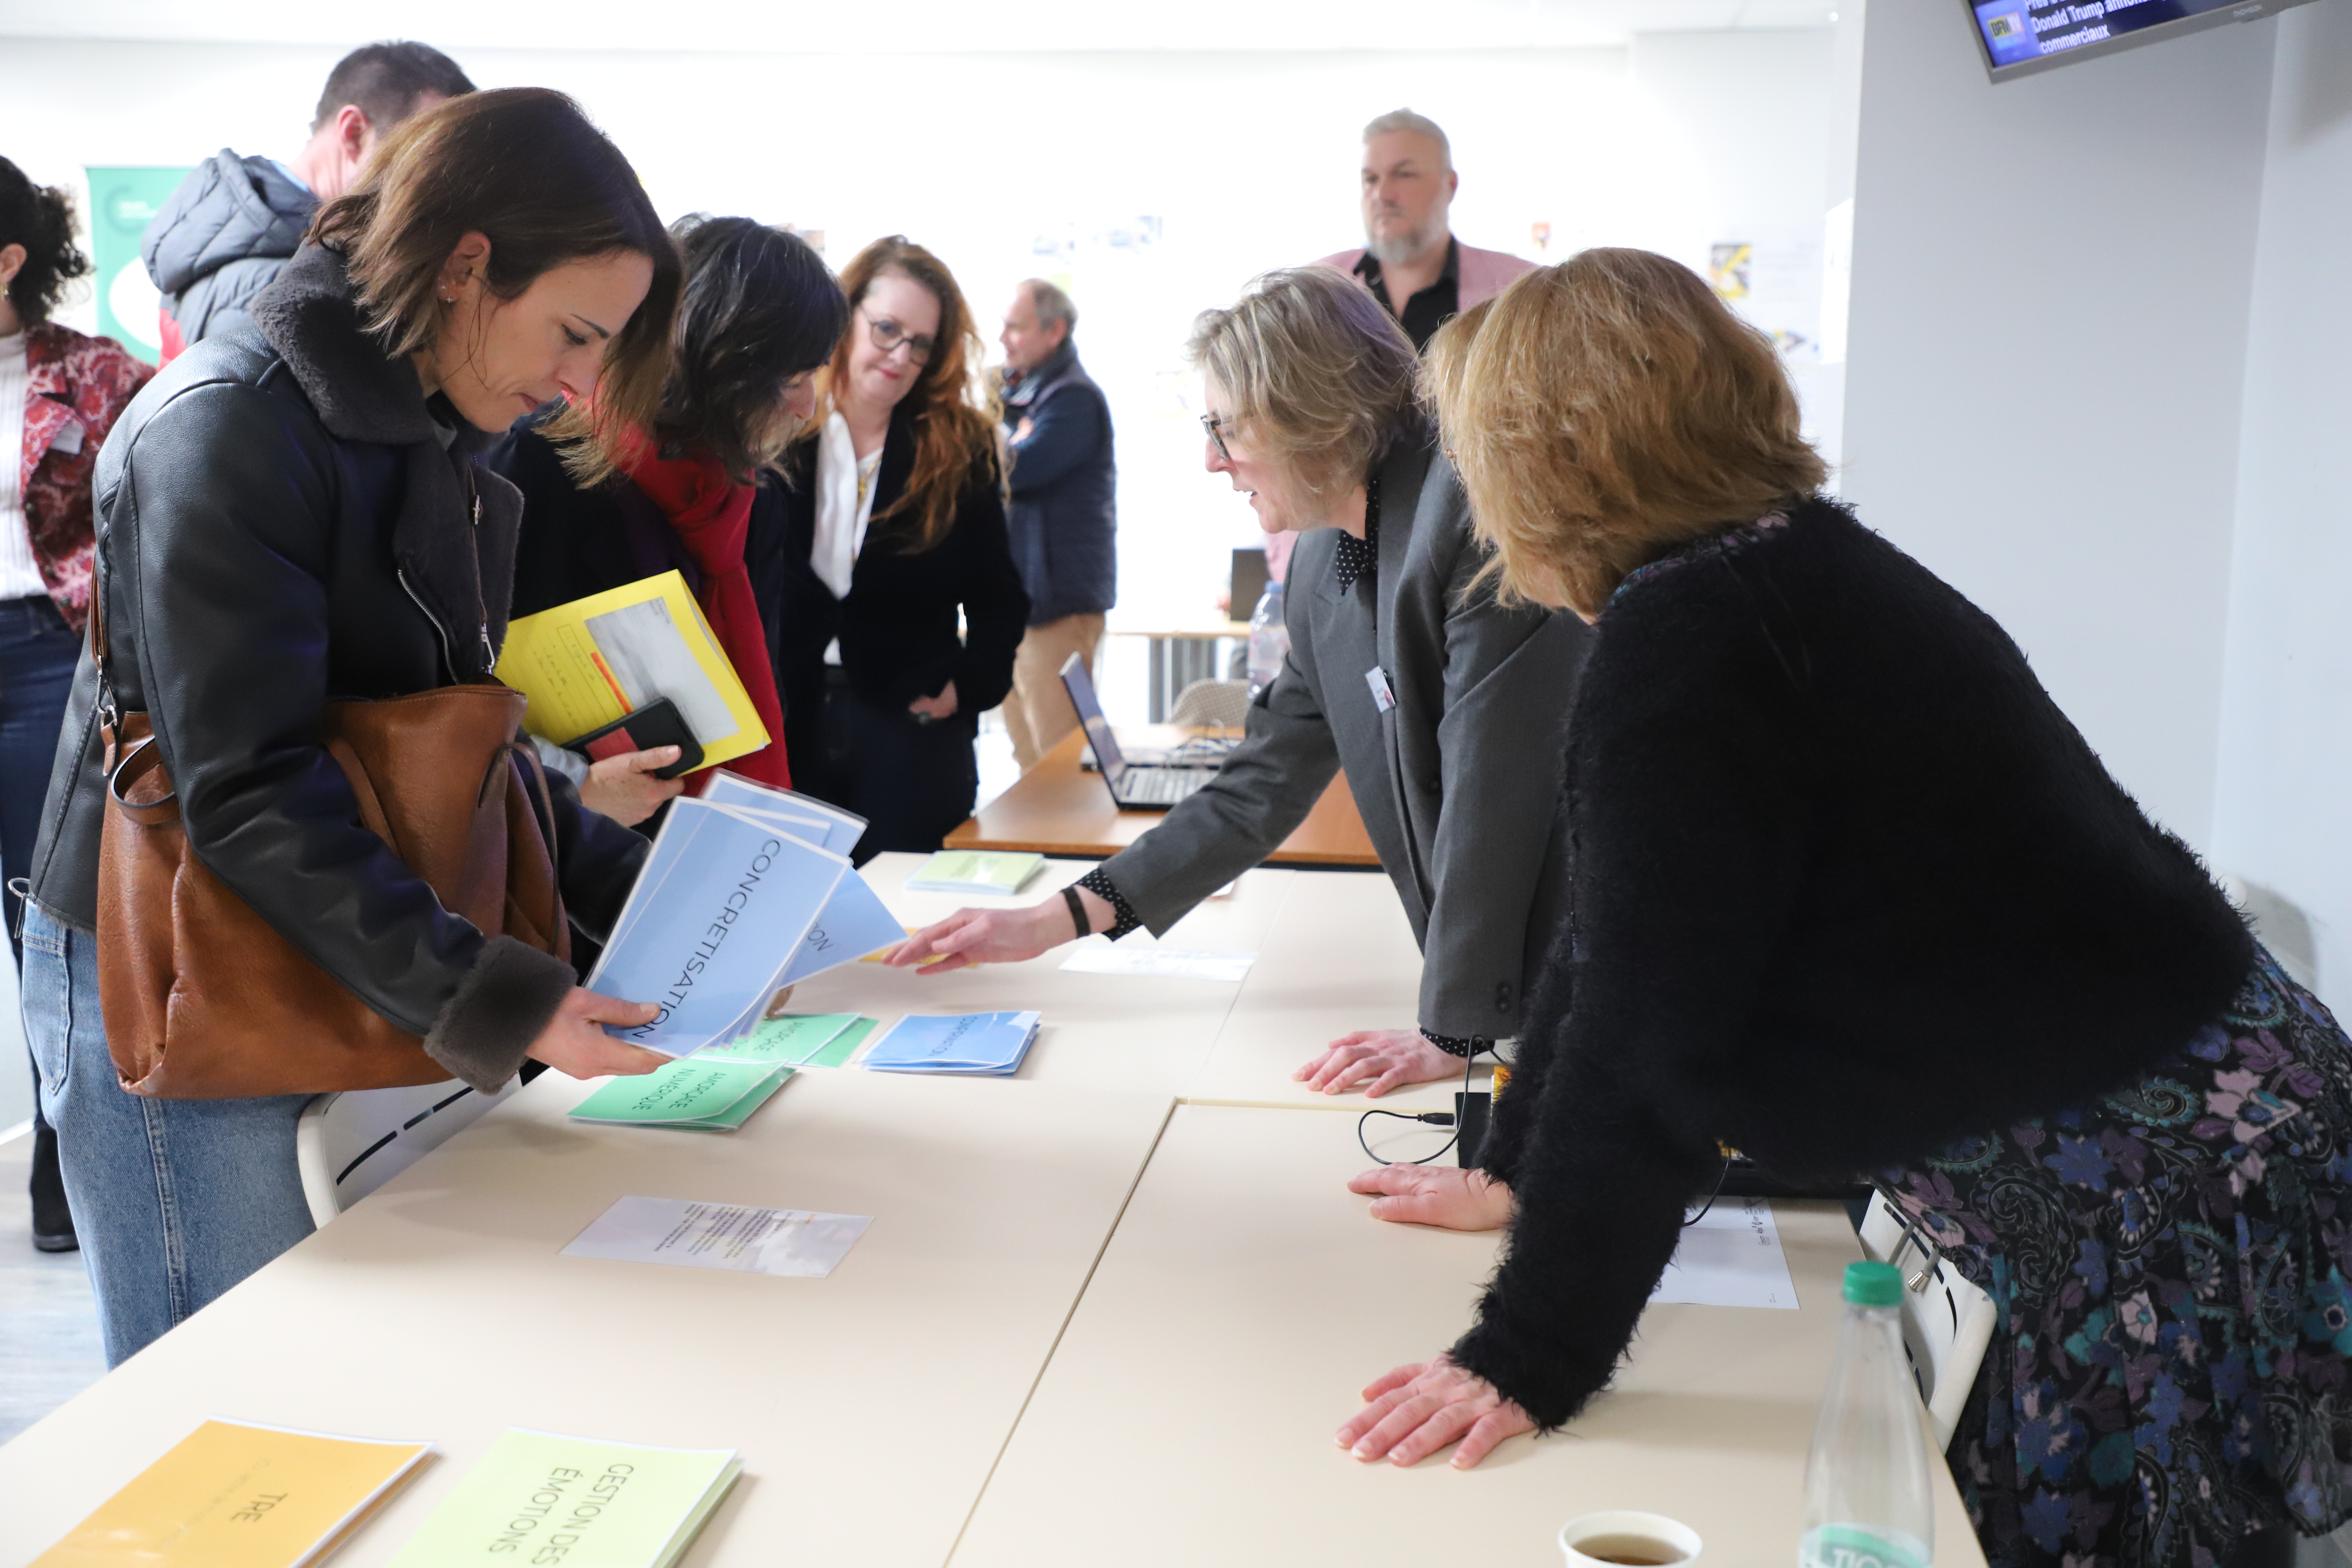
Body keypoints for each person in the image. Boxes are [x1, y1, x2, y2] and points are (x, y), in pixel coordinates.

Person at [1335, 250, 2346, 1568]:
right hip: (2195, 1110)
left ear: (1552, 457)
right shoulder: (1766, 571)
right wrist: (1514, 1165)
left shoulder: (1695, 641)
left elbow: (1651, 1039)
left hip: (2161, 1181)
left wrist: (1527, 1357)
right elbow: (1616, 932)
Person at [22, 88, 679, 1365]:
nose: (581, 383)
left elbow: (435, 740)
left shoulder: (439, 429)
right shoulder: (226, 422)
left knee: (338, 1362)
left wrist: (646, 888)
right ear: (468, 268)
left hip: (330, 934)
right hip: (177, 950)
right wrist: (495, 997)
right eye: (576, 334)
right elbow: (249, 791)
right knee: (217, 1376)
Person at [888, 270, 1588, 1098]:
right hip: (1513, 992)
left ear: (1310, 411)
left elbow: (1493, 789)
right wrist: (1056, 918)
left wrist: (1456, 1024)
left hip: (1589, 980)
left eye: (1225, 427)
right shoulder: (1322, 564)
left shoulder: (1472, 520)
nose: (1212, 460)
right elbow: (1259, 784)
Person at [486, 215, 848, 827]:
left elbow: (764, 689)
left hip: (703, 836)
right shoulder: (541, 464)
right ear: (723, 366)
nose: (807, 407)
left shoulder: (747, 492)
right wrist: (575, 788)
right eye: (792, 378)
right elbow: (468, 696)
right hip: (571, 846)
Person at [0, 160, 152, 1254]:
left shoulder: (97, 375)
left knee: (52, 928)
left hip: (47, 657)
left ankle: (72, 1172)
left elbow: (155, 518)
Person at [767, 236, 1028, 860]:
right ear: (845, 315)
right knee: (795, 924)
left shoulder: (956, 445)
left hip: (907, 729)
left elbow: (1000, 597)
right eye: (886, 329)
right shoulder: (778, 426)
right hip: (787, 717)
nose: (900, 356)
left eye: (920, 344)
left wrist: (967, 689)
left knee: (903, 930)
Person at [143, 40, 475, 360]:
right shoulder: (280, 281)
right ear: (354, 132)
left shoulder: (243, 241)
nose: (444, 186)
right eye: (429, 158)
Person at [994, 278, 1115, 773]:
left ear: (1054, 330)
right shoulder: (1026, 397)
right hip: (1025, 604)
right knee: (1029, 758)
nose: (1004, 339)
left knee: (1062, 759)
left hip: (1058, 606)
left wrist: (1006, 442)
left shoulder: (1074, 400)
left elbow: (1019, 470)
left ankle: (1076, 852)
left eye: (1015, 328)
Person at [1314, 109, 1534, 352]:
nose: (1382, 195)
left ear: (1450, 186)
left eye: (1404, 174)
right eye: (1371, 179)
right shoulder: (1316, 290)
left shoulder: (1519, 291)